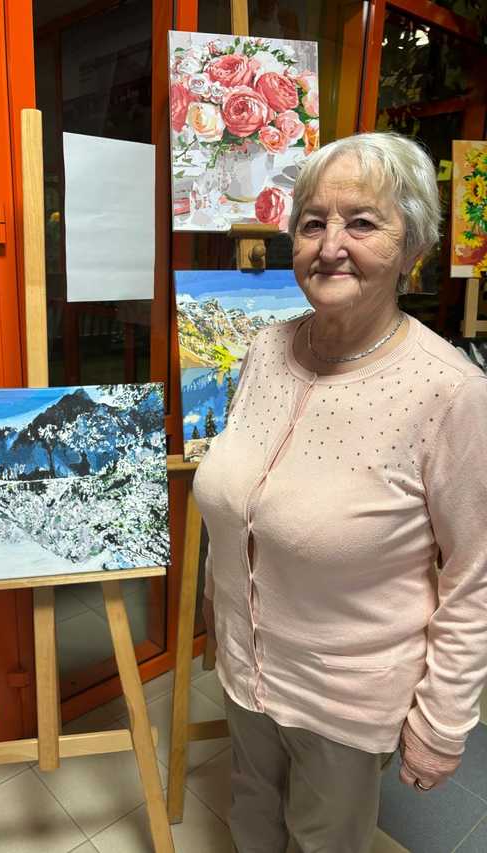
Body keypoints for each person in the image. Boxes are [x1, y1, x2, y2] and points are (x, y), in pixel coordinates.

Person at [194, 132, 487, 853]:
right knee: (253, 817)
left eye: (362, 222)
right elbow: (243, 502)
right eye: (312, 221)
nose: (330, 245)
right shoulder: (265, 349)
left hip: (346, 697)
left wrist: (442, 723)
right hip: (246, 667)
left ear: (411, 246)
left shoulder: (449, 392)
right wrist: (218, 610)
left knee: (324, 839)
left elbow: (475, 576)